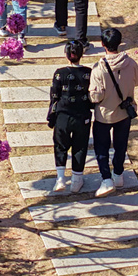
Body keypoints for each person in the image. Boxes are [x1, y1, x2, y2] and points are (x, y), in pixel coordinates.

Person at [88, 28, 138, 197]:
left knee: (101, 148)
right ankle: (118, 174)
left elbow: (96, 96)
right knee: (121, 145)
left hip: (104, 115)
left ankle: (106, 179)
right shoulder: (131, 63)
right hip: (124, 112)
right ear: (119, 43)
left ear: (103, 44)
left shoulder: (99, 68)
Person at [48, 40, 93, 193]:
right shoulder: (88, 72)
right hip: (82, 116)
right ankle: (76, 179)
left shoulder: (59, 73)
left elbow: (54, 95)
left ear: (66, 55)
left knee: (60, 145)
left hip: (63, 116)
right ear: (82, 54)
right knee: (80, 146)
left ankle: (60, 179)